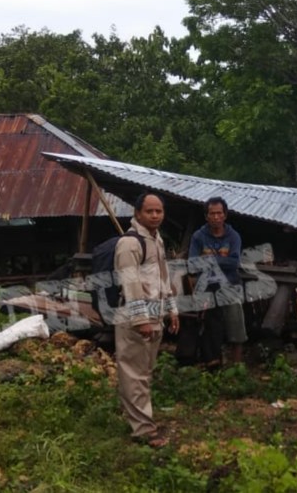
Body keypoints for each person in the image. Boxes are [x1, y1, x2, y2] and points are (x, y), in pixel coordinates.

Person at [114, 192, 179, 448]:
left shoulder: (156, 240)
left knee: (144, 371)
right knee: (135, 373)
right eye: (149, 211)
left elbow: (163, 279)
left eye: (159, 211)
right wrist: (141, 319)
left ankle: (140, 417)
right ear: (138, 213)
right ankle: (143, 430)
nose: (155, 215)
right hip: (135, 317)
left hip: (156, 313)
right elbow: (130, 284)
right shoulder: (130, 244)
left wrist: (171, 309)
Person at [188, 196, 248, 365]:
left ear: (225, 215)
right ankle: (210, 362)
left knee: (235, 321)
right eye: (212, 213)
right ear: (206, 216)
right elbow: (193, 264)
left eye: (219, 213)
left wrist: (208, 261)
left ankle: (236, 366)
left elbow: (234, 262)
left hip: (230, 285)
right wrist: (221, 262)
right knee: (207, 324)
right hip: (206, 286)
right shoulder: (199, 236)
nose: (216, 217)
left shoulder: (233, 236)